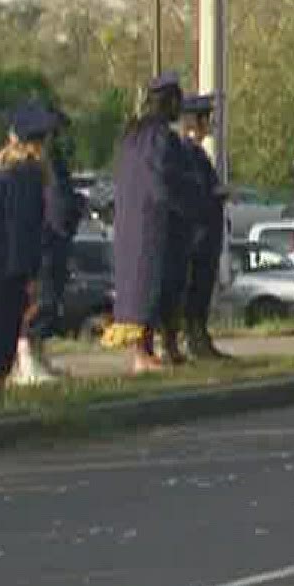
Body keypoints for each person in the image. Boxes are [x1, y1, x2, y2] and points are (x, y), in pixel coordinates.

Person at [109, 73, 191, 373]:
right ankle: (142, 354)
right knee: (147, 287)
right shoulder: (159, 137)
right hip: (153, 224)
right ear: (168, 102)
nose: (179, 110)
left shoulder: (132, 135)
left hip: (132, 222)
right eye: (177, 102)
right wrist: (187, 202)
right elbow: (161, 183)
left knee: (144, 287)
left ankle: (154, 350)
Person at [14, 107, 80, 385]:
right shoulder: (29, 166)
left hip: (53, 242)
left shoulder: (51, 162)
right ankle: (26, 360)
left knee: (49, 300)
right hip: (41, 243)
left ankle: (38, 357)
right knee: (37, 304)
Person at [0, 105, 56, 401]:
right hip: (9, 268)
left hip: (1, 261)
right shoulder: (29, 178)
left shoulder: (3, 175)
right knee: (4, 329)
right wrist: (29, 274)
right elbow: (24, 230)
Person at [176, 95, 231, 360]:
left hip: (207, 234)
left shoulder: (198, 153)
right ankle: (191, 338)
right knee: (194, 291)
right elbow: (192, 192)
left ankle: (200, 337)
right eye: (205, 119)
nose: (210, 124)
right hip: (196, 236)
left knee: (203, 291)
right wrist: (215, 193)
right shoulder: (185, 152)